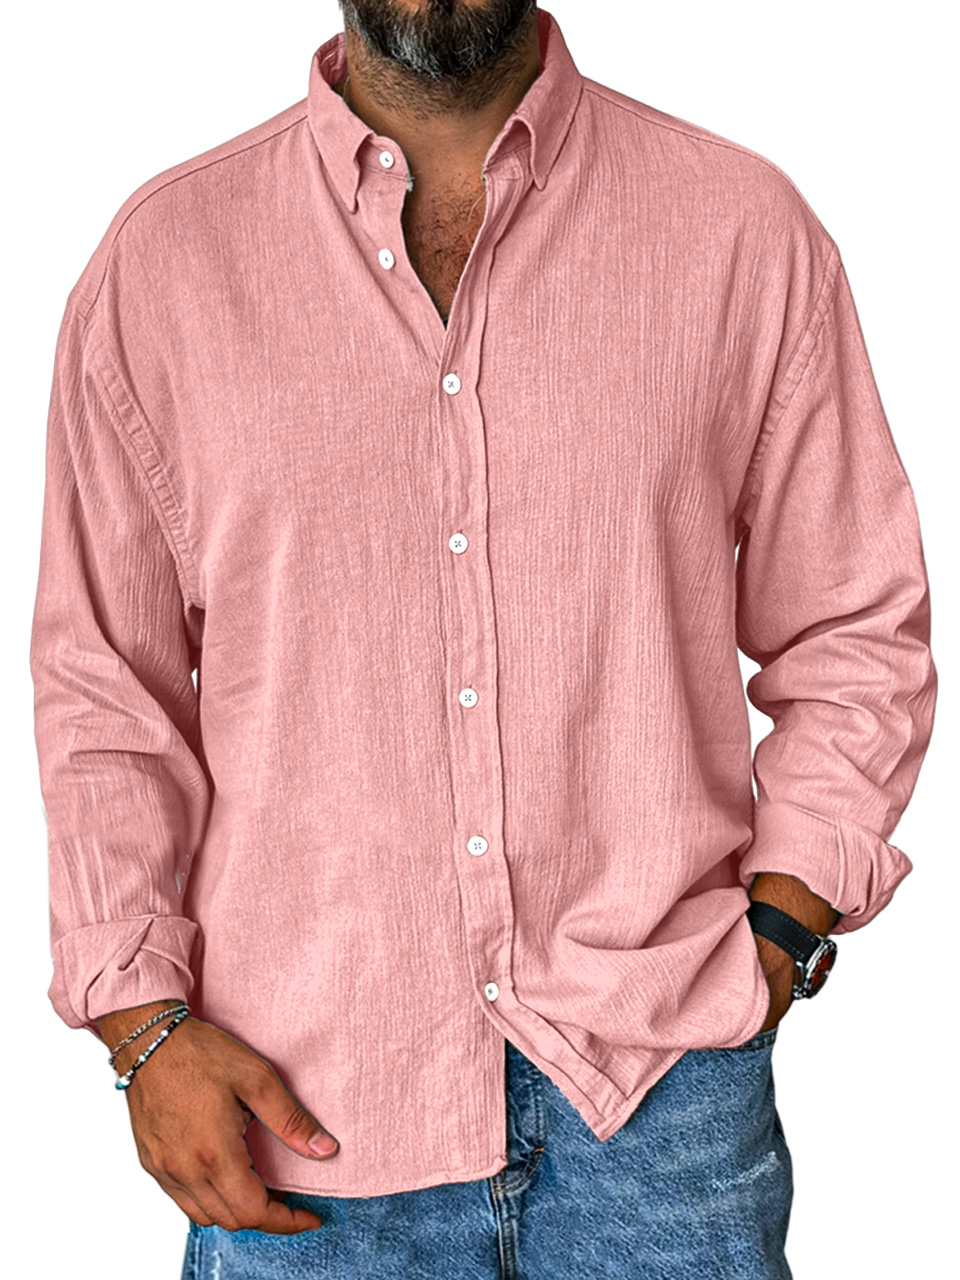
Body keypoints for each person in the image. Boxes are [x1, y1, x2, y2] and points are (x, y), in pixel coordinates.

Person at [29, 2, 937, 1277]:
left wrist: (783, 932)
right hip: (301, 1118)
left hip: (661, 1104)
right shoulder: (165, 265)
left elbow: (855, 625)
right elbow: (103, 690)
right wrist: (143, 1028)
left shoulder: (739, 230)